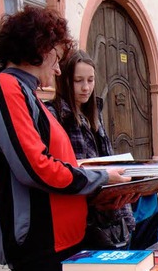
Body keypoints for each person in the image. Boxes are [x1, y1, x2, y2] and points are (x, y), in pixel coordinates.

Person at [0, 7, 130, 271]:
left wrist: (103, 190)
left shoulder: (26, 93)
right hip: (40, 242)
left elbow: (58, 163)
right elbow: (34, 167)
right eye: (56, 58)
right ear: (39, 50)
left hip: (61, 239)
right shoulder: (5, 89)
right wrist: (99, 179)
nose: (58, 70)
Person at [46, 50, 136, 250]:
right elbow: (63, 169)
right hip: (81, 215)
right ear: (65, 80)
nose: (86, 87)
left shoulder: (94, 113)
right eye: (78, 80)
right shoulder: (53, 115)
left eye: (90, 80)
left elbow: (108, 159)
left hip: (109, 212)